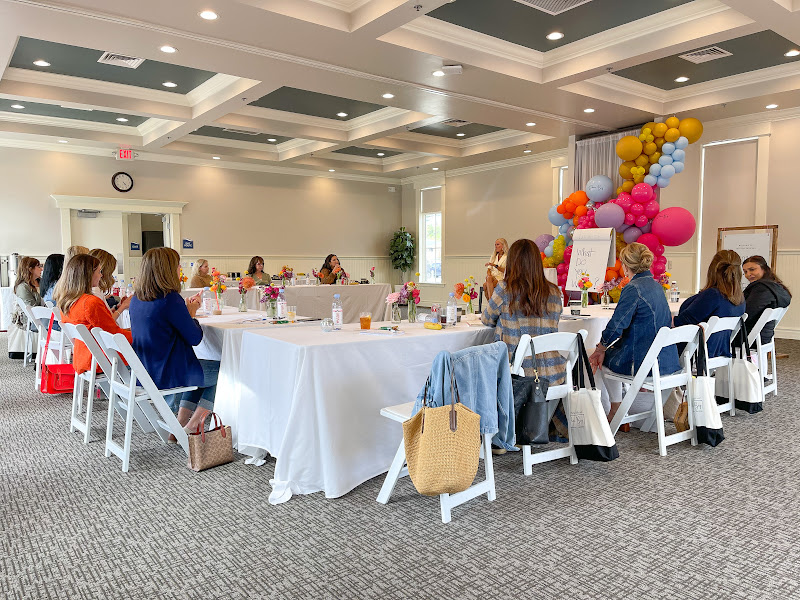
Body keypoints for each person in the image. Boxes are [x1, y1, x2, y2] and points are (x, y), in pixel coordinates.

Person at [481, 239, 566, 449]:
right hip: (555, 374)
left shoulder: (505, 290)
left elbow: (486, 319)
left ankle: (501, 432)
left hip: (520, 377)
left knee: (482, 367)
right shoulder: (555, 292)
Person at [129, 247, 217, 434]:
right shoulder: (170, 299)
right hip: (168, 372)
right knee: (224, 370)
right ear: (168, 270)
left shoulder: (137, 298)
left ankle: (180, 423)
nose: (180, 270)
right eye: (178, 266)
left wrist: (184, 312)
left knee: (202, 369)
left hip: (145, 369)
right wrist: (191, 314)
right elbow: (195, 338)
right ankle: (193, 424)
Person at [589, 242, 680, 423]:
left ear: (625, 265)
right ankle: (618, 411)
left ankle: (613, 410)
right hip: (669, 361)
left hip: (645, 363)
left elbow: (616, 327)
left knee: (597, 359)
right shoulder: (655, 285)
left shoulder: (633, 287)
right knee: (604, 354)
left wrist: (600, 348)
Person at [56, 254, 132, 375]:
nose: (101, 275)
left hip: (82, 358)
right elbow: (114, 336)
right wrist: (141, 335)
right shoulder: (90, 302)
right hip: (101, 360)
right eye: (99, 271)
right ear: (88, 275)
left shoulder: (67, 301)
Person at [673, 250, 745, 357]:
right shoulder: (740, 300)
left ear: (712, 270)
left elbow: (683, 321)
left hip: (696, 352)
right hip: (719, 350)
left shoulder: (713, 295)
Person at [742, 255, 792, 343]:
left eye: (752, 269)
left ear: (764, 269)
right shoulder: (775, 287)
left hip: (751, 337)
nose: (748, 274)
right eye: (745, 272)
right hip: (765, 334)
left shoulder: (762, 289)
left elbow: (747, 313)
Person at [8, 256, 44, 359]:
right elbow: (32, 309)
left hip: (38, 314)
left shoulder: (39, 282)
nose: (41, 269)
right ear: (30, 269)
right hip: (31, 319)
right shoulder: (23, 287)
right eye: (38, 266)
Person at [89, 248, 132, 321]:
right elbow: (107, 322)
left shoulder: (95, 291)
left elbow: (105, 315)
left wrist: (118, 307)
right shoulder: (95, 293)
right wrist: (123, 306)